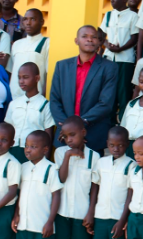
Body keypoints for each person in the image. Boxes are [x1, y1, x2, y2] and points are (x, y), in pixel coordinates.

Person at [51, 117, 98, 239]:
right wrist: (68, 156)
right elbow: (61, 179)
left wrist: (91, 212)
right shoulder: (60, 153)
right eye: (65, 136)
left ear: (83, 133)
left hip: (82, 212)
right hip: (62, 212)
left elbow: (94, 188)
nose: (69, 139)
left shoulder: (94, 157)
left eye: (73, 135)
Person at [49, 25, 118, 153]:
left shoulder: (109, 67)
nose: (89, 40)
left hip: (93, 134)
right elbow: (54, 100)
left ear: (99, 41)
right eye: (85, 36)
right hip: (64, 136)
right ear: (76, 40)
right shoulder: (62, 66)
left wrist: (79, 125)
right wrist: (67, 128)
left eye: (94, 37)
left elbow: (106, 103)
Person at [87, 126, 134, 239]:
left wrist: (123, 220)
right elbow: (95, 187)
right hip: (100, 216)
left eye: (120, 145)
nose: (116, 148)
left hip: (118, 218)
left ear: (127, 145)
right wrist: (91, 212)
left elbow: (131, 194)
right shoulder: (101, 162)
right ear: (107, 144)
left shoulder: (131, 165)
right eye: (112, 145)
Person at [3, 63, 55, 163]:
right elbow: (7, 130)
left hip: (34, 153)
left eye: (25, 77)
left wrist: (45, 161)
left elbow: (48, 135)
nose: (21, 81)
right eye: (19, 78)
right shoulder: (14, 104)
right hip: (12, 150)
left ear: (37, 78)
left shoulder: (45, 105)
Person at [8, 9, 49, 97]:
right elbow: (11, 71)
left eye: (33, 19)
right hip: (14, 97)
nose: (28, 23)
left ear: (42, 22)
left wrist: (43, 96)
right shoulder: (16, 44)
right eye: (25, 19)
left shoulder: (47, 43)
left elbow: (49, 74)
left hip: (36, 97)